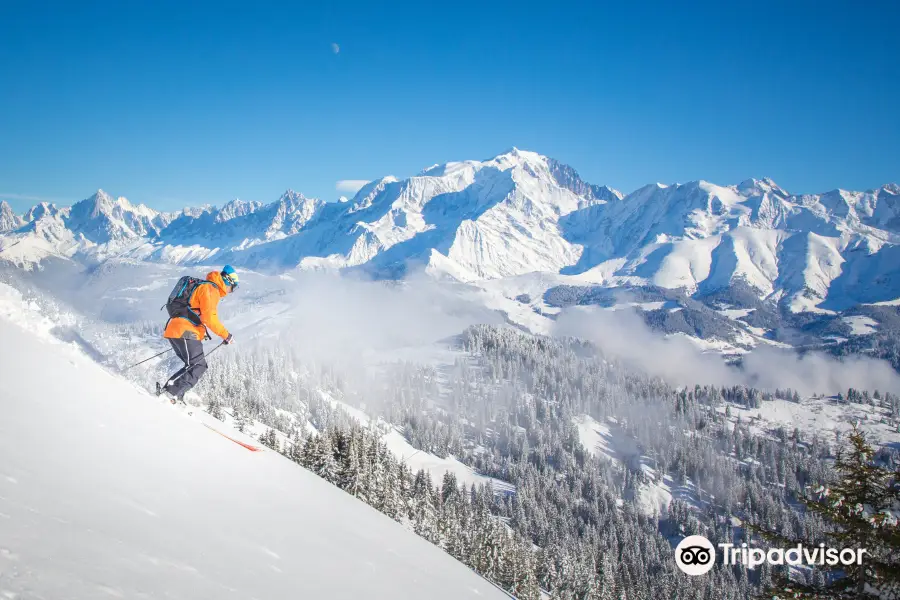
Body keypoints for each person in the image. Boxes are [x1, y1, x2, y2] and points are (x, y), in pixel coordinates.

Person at [159, 265, 238, 402]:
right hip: (185, 331)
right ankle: (170, 395)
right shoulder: (210, 289)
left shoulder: (206, 287)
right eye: (233, 287)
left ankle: (172, 394)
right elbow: (209, 318)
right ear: (227, 281)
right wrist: (226, 335)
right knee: (198, 366)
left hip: (178, 329)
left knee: (193, 366)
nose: (231, 291)